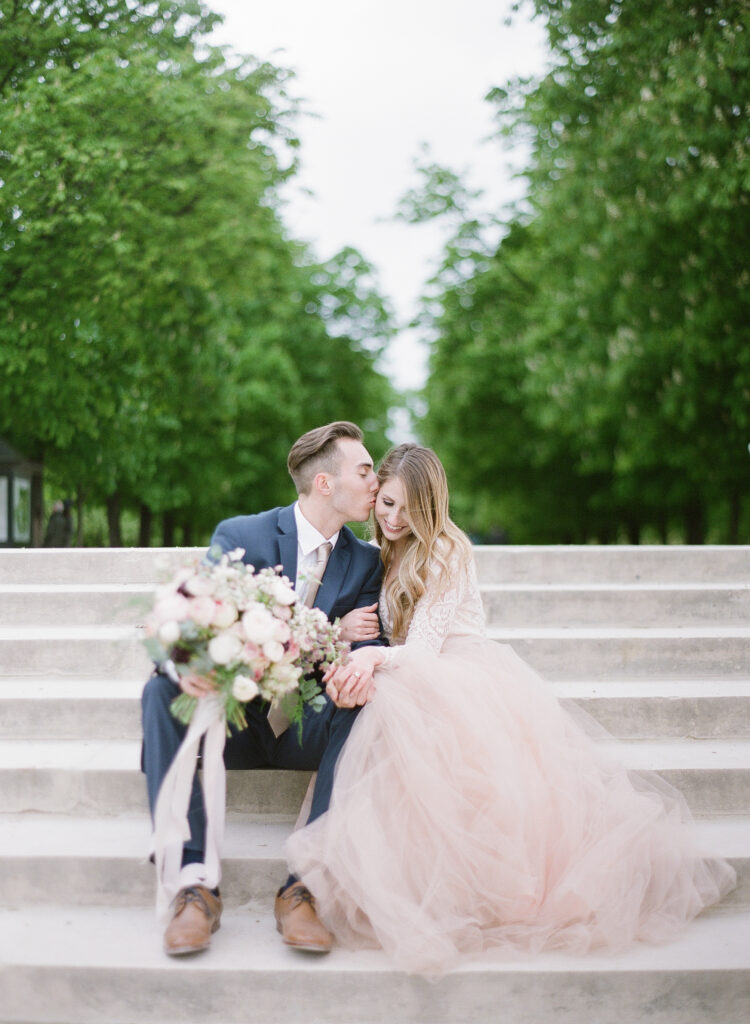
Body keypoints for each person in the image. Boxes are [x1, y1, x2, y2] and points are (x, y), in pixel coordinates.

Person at [286, 443, 736, 976]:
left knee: (393, 708)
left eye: (409, 509)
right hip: (413, 669)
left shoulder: (447, 552)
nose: (393, 518)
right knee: (384, 707)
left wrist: (375, 655)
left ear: (432, 508)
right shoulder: (382, 548)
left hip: (456, 671)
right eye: (386, 503)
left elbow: (425, 650)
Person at [141, 421, 386, 956]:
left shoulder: (368, 560)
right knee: (160, 690)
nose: (376, 481)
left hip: (309, 725)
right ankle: (193, 887)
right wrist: (327, 628)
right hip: (240, 720)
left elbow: (374, 640)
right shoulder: (243, 535)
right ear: (325, 484)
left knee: (368, 693)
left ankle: (305, 887)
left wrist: (355, 661)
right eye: (365, 470)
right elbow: (195, 622)